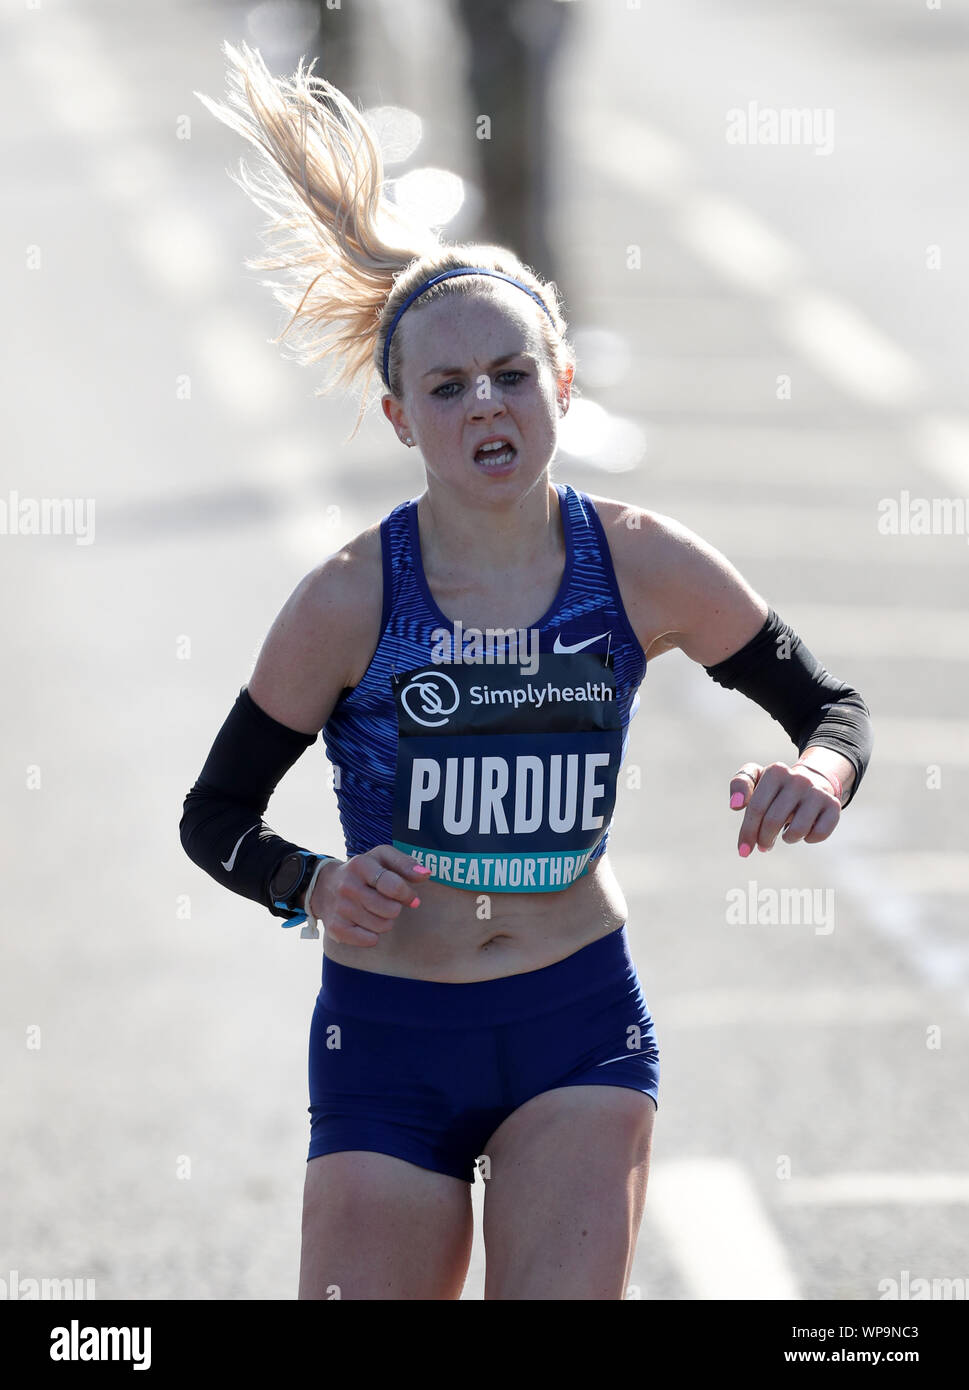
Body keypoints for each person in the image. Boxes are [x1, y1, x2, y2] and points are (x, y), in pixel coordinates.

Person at [182, 43, 872, 1301]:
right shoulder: (348, 598)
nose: (485, 405)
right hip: (389, 1035)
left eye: (511, 375)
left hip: (574, 1025)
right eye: (447, 387)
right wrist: (313, 881)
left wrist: (817, 772)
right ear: (400, 416)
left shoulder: (643, 564)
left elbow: (832, 707)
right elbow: (211, 816)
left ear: (561, 383)